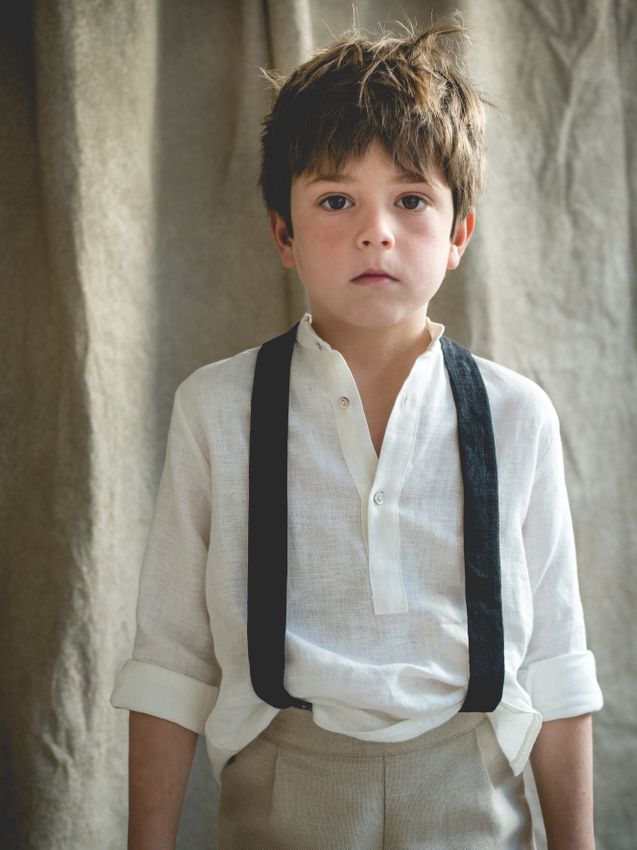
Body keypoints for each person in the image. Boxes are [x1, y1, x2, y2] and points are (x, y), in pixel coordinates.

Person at [111, 14, 603, 849]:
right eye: (336, 201)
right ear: (284, 233)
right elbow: (171, 659)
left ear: (458, 234)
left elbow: (555, 664)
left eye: (410, 200)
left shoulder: (517, 414)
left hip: (470, 785)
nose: (376, 231)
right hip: (282, 785)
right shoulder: (216, 407)